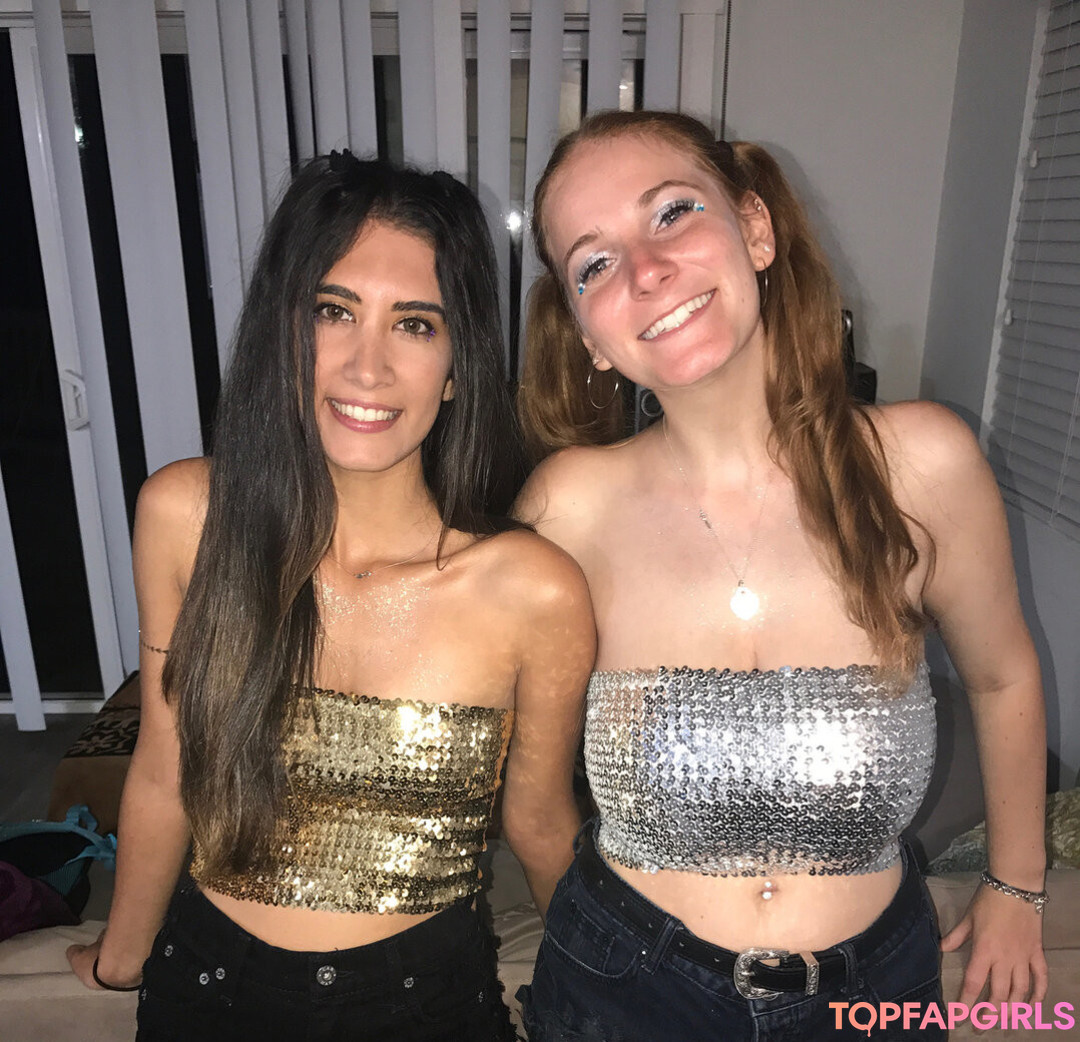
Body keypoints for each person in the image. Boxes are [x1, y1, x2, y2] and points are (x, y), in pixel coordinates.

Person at [514, 110, 1048, 1041]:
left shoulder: (923, 466)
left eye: (672, 213)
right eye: (594, 264)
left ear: (755, 229)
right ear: (589, 334)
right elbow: (525, 782)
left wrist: (1017, 884)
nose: (646, 271)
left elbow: (1003, 677)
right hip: (624, 989)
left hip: (872, 988)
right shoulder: (566, 509)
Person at [66, 152, 594, 1041]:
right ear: (284, 331)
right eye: (333, 311)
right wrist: (123, 957)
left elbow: (540, 821)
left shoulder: (531, 588)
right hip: (206, 985)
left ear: (457, 367)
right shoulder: (188, 517)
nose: (367, 365)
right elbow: (164, 766)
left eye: (415, 325)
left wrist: (601, 995)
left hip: (430, 1003)